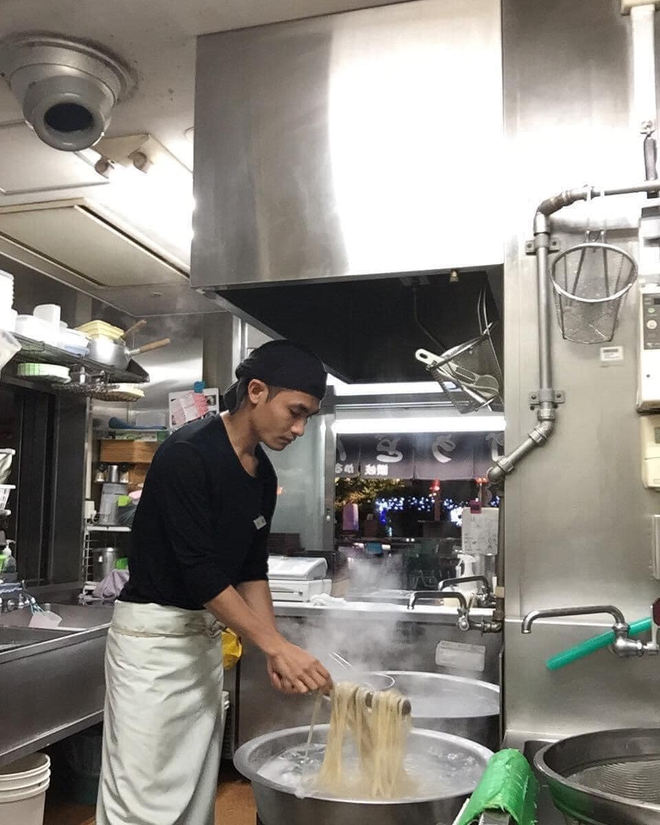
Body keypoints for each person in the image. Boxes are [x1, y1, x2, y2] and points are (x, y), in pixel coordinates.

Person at [96, 339, 333, 825]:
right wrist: (274, 646)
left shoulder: (261, 474)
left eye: (308, 417)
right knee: (145, 798)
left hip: (201, 645)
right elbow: (200, 572)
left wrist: (273, 649)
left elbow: (251, 570)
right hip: (152, 646)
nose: (300, 429)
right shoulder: (188, 453)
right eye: (295, 412)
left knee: (193, 796)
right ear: (256, 391)